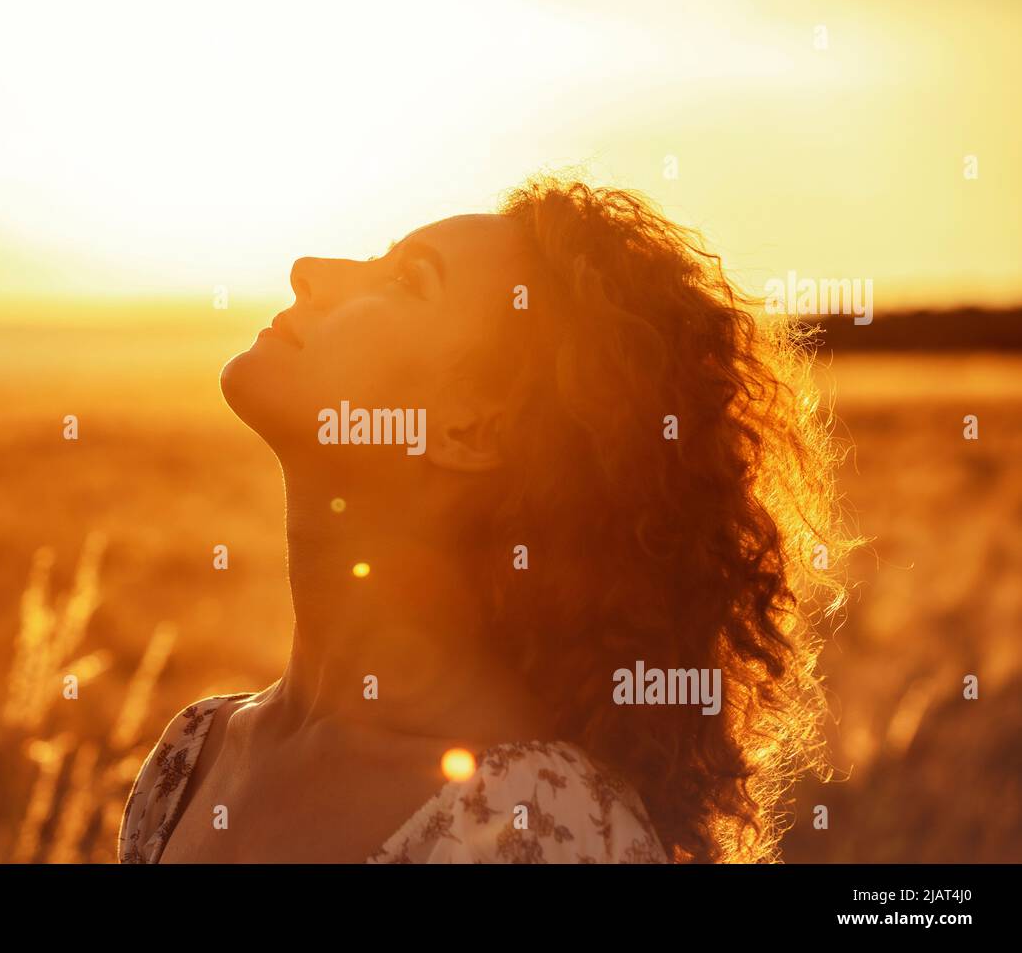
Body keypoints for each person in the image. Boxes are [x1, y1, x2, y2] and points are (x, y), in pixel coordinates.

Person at [119, 172, 851, 864]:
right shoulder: (193, 753)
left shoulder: (543, 822)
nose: (309, 268)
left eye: (408, 280)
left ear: (471, 430)